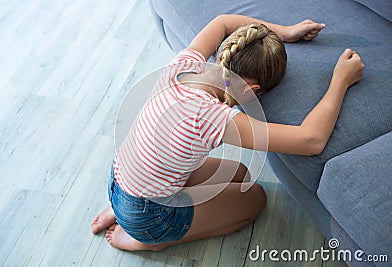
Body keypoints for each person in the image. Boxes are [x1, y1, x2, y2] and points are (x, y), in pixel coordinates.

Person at [91, 14, 364, 251]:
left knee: (239, 175)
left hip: (120, 181)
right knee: (255, 199)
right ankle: (149, 240)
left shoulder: (184, 66)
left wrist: (282, 31)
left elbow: (222, 22)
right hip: (148, 214)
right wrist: (340, 79)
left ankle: (122, 209)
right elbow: (311, 140)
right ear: (253, 90)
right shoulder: (214, 117)